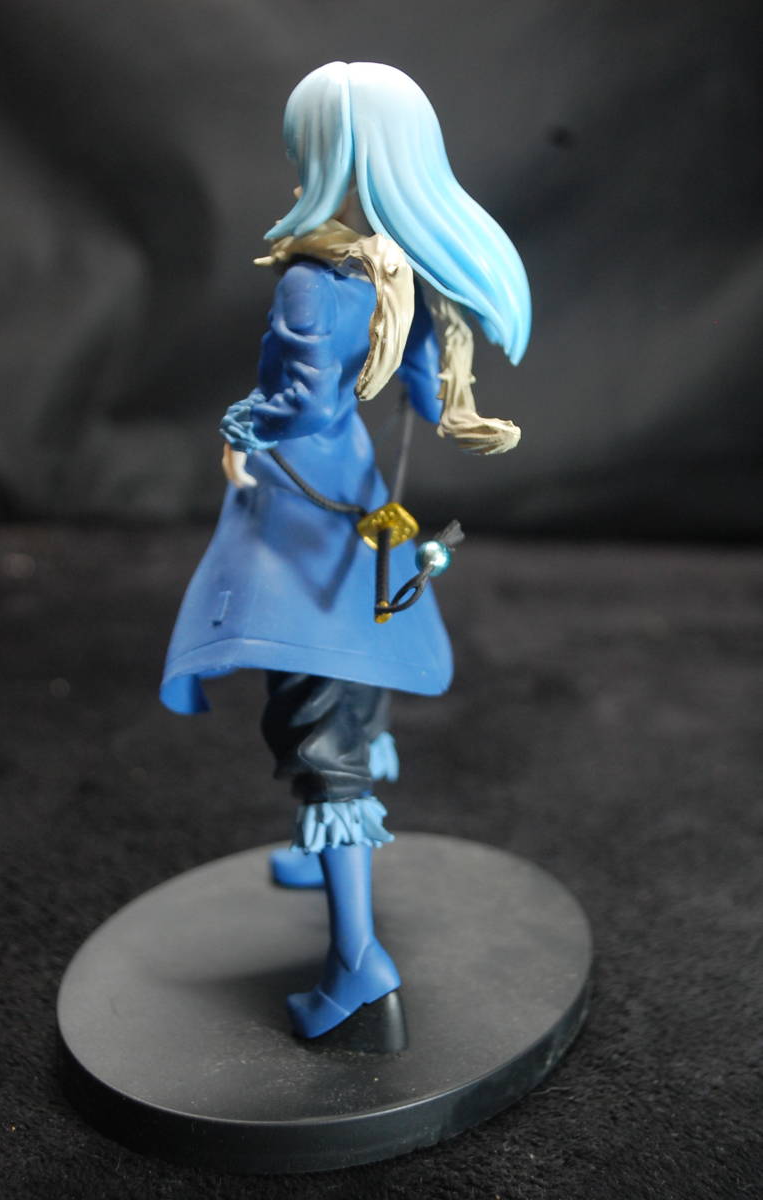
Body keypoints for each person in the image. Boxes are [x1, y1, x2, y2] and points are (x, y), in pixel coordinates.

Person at [160, 61, 531, 1045]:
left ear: (334, 157)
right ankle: (331, 855)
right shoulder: (395, 268)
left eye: (305, 148)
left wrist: (240, 424)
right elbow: (417, 388)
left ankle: (356, 958)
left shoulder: (313, 280)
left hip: (301, 512)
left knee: (318, 719)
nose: (295, 164)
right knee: (350, 682)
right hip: (352, 495)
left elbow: (297, 401)